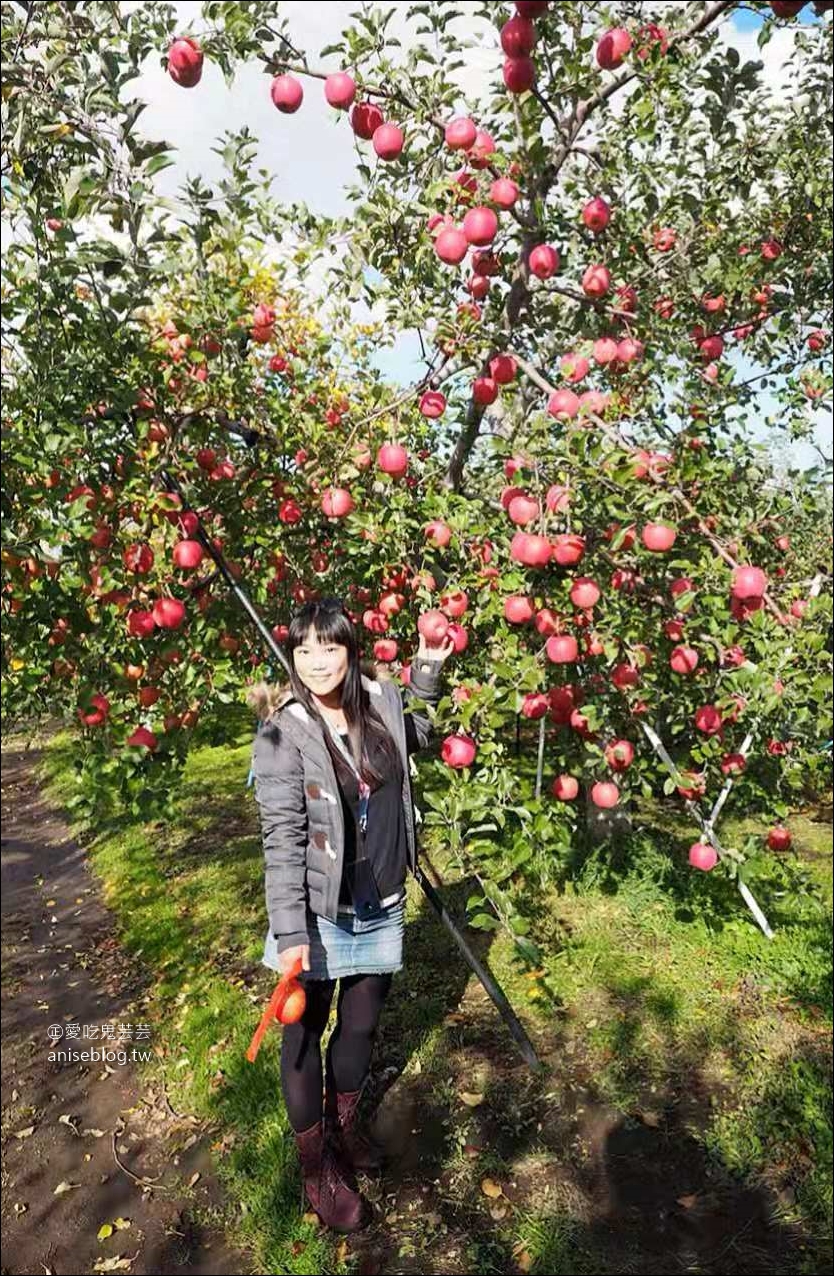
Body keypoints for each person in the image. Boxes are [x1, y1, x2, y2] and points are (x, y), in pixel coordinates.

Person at [248, 595, 454, 1233]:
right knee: (304, 1035)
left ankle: (341, 1132)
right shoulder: (283, 731)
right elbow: (281, 837)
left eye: (328, 646)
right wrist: (289, 933)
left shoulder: (378, 699)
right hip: (316, 909)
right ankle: (317, 1168)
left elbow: (418, 736)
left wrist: (425, 673)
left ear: (350, 649)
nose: (315, 661)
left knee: (360, 1028)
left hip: (381, 899)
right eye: (303, 649)